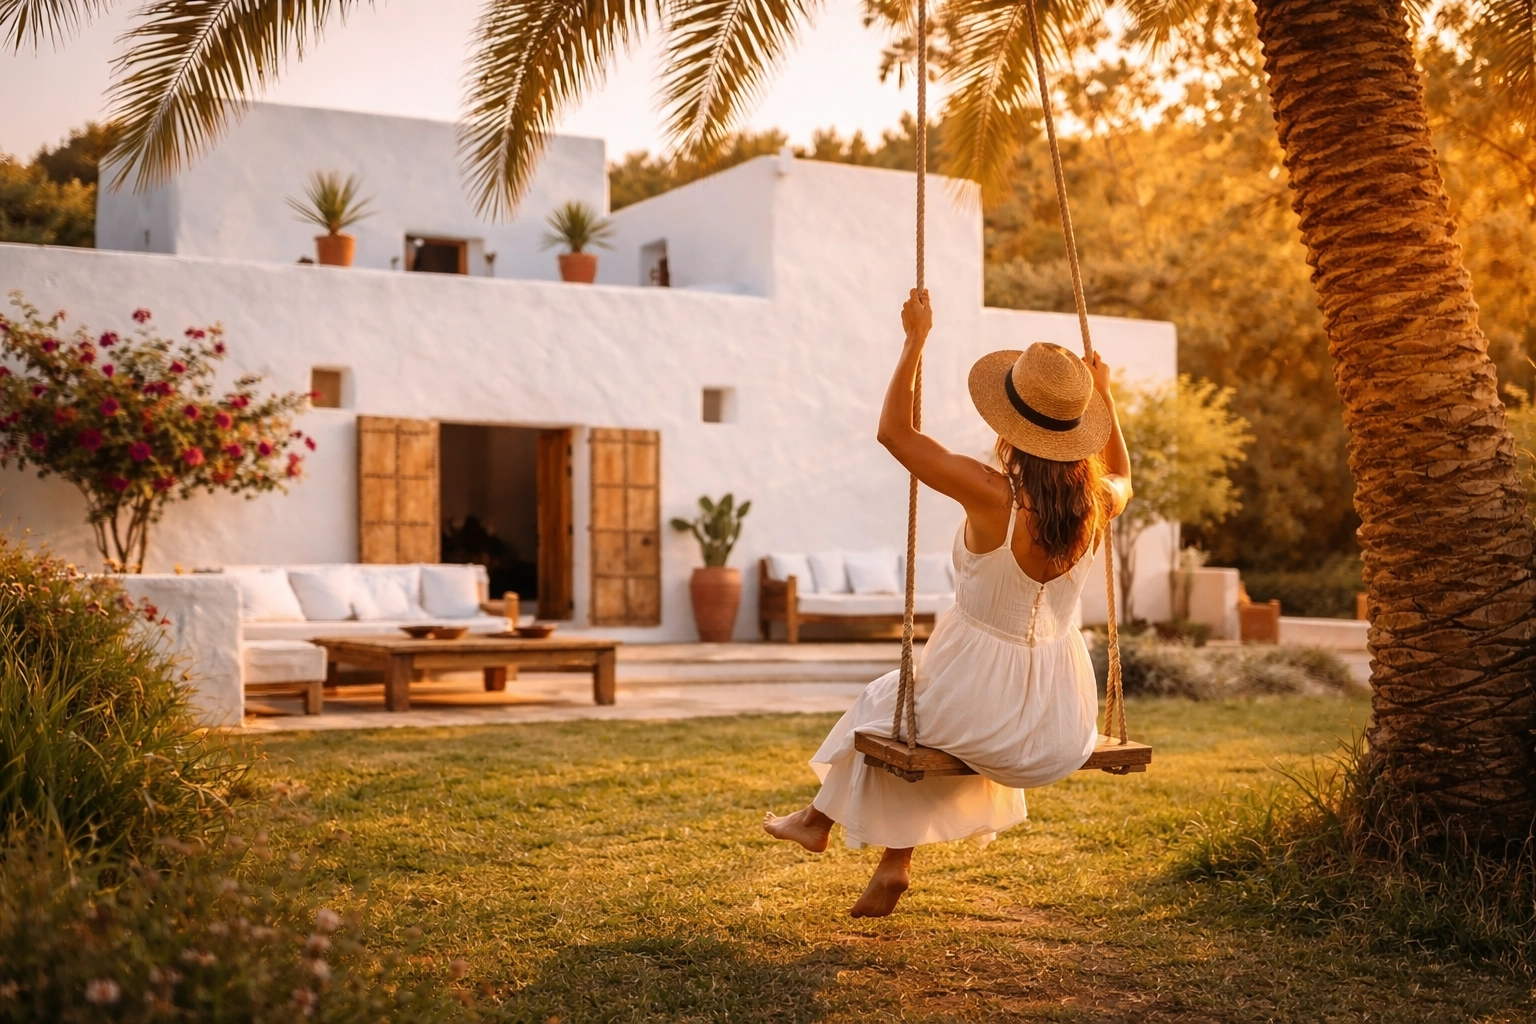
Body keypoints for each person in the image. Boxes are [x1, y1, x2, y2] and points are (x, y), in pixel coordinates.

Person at [764, 288, 1133, 917]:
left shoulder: (993, 495)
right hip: (1059, 723)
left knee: (888, 705)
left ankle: (816, 821)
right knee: (918, 712)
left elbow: (894, 434)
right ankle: (889, 861)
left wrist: (914, 340)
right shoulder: (1099, 499)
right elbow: (1125, 474)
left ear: (1007, 424)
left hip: (985, 706)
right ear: (1076, 432)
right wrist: (1106, 402)